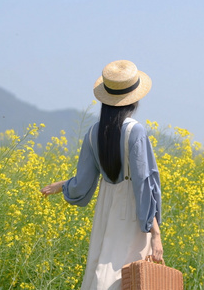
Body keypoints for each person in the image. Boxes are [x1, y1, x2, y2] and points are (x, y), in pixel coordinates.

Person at [40, 60, 163, 290]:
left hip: (106, 208)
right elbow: (143, 186)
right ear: (134, 98)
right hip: (132, 214)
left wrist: (63, 185)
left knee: (103, 266)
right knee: (128, 276)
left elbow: (83, 183)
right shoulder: (135, 131)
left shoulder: (93, 132)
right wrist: (155, 234)